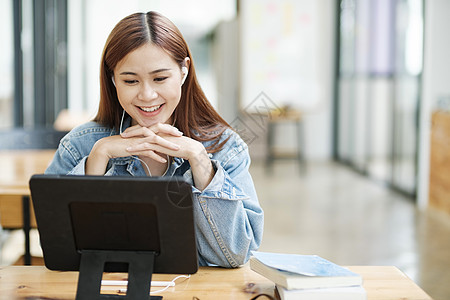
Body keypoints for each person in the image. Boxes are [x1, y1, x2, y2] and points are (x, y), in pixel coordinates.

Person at [45, 11, 263, 268]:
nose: (147, 95)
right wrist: (97, 161)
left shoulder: (225, 147)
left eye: (160, 78)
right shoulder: (80, 145)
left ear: (184, 71)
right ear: (113, 78)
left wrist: (201, 162)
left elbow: (236, 255)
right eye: (130, 80)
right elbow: (59, 248)